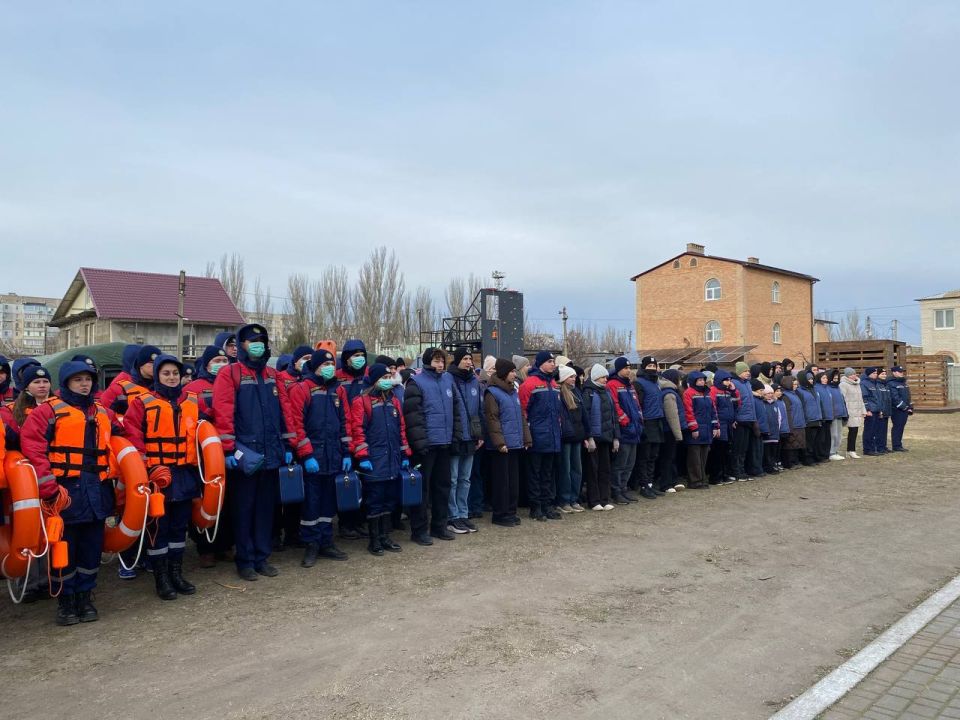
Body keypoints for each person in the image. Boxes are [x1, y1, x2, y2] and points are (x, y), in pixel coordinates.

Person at [22, 361, 115, 626]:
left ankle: (85, 596)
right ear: (66, 383)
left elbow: (122, 433)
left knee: (91, 549)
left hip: (96, 491)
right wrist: (47, 483)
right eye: (78, 380)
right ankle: (66, 601)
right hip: (65, 492)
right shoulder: (47, 412)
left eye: (87, 379)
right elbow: (33, 445)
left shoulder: (102, 411)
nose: (84, 384)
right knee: (65, 550)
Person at [212, 324, 293, 581]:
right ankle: (245, 560)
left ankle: (262, 557)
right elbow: (223, 413)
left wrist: (288, 445)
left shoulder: (272, 374)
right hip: (246, 456)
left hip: (271, 454)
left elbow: (285, 412)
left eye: (261, 340)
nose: (257, 344)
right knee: (243, 510)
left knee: (265, 510)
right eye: (251, 340)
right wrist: (228, 449)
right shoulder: (230, 374)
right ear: (241, 345)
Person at [123, 354, 202, 601]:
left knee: (179, 528)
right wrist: (147, 467)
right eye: (166, 373)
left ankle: (176, 573)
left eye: (175, 373)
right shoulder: (142, 402)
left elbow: (205, 429)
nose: (171, 377)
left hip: (185, 473)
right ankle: (161, 578)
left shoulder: (191, 401)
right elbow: (132, 433)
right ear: (157, 375)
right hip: (158, 476)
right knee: (159, 528)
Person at [285, 348, 350, 566]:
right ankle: (311, 544)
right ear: (315, 367)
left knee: (328, 503)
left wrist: (347, 452)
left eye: (331, 364)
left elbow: (345, 423)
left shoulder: (338, 391)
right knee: (311, 504)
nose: (329, 368)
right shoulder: (302, 389)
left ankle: (326, 542)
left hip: (334, 456)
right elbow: (296, 424)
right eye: (324, 365)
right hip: (313, 457)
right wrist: (306, 454)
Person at [403, 348, 463, 542]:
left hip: (444, 443)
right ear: (429, 361)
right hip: (426, 445)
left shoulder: (448, 380)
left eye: (442, 361)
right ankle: (419, 530)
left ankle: (439, 526)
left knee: (443, 487)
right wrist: (420, 443)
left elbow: (455, 411)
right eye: (437, 361)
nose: (440, 364)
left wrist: (456, 437)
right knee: (423, 490)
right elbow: (413, 417)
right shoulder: (416, 382)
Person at [350, 363, 410, 556]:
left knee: (389, 500)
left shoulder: (394, 401)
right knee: (374, 500)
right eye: (383, 378)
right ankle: (374, 539)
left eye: (388, 378)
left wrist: (404, 454)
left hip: (392, 459)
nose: (387, 381)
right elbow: (357, 431)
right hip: (374, 460)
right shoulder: (362, 401)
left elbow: (401, 430)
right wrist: (363, 456)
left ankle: (385, 536)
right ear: (374, 380)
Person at [483, 358, 532, 526]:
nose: (514, 374)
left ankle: (511, 511)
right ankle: (500, 514)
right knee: (501, 482)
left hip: (515, 443)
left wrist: (526, 438)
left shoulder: (512, 392)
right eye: (511, 371)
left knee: (513, 481)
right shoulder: (492, 393)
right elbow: (492, 419)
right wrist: (499, 443)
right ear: (504, 373)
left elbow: (521, 418)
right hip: (502, 446)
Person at [518, 351, 563, 520]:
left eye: (554, 361)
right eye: (550, 361)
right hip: (536, 437)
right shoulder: (529, 384)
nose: (553, 364)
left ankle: (547, 505)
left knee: (548, 474)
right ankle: (535, 507)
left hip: (552, 437)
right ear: (541, 363)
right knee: (534, 474)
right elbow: (523, 412)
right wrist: (528, 435)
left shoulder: (554, 384)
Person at [336, 338, 370, 540]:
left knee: (365, 483)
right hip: (346, 438)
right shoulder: (338, 378)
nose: (359, 359)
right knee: (347, 483)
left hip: (366, 438)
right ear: (346, 358)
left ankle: (360, 522)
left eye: (361, 355)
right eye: (354, 356)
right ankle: (346, 523)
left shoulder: (368, 376)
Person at [446, 349, 483, 533]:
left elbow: (480, 410)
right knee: (452, 479)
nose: (469, 362)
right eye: (465, 359)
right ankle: (452, 516)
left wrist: (480, 434)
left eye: (470, 359)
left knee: (465, 479)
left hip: (471, 437)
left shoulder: (474, 382)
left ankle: (463, 513)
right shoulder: (448, 379)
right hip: (455, 436)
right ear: (458, 361)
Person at [606, 357, 643, 502]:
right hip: (624, 430)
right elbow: (615, 405)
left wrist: (640, 419)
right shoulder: (613, 385)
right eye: (625, 368)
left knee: (630, 463)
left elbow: (636, 405)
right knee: (620, 463)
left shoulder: (630, 385)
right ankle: (616, 491)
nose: (628, 370)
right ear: (619, 369)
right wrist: (624, 420)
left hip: (635, 429)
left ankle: (623, 488)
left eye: (629, 368)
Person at [581, 364, 616, 511]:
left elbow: (613, 417)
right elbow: (586, 416)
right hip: (594, 437)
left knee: (605, 469)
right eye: (602, 377)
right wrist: (589, 437)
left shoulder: (607, 393)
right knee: (592, 470)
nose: (605, 379)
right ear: (595, 377)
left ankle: (604, 498)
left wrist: (616, 437)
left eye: (606, 377)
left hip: (606, 437)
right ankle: (594, 500)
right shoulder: (588, 393)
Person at [556, 365, 588, 513]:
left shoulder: (577, 392)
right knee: (565, 470)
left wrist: (587, 435)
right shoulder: (559, 394)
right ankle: (564, 499)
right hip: (566, 437)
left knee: (577, 469)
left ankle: (573, 498)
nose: (574, 379)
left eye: (574, 376)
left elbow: (584, 415)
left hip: (577, 435)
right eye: (571, 376)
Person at [101, 345, 161, 420]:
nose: (155, 366)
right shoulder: (121, 386)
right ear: (140, 364)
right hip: (128, 430)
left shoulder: (163, 386)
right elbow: (103, 409)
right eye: (151, 363)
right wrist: (121, 425)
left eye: (157, 363)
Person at [633, 356, 664, 498]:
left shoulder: (656, 382)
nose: (652, 368)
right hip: (647, 422)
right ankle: (643, 485)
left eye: (654, 365)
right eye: (649, 365)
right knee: (644, 457)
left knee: (654, 456)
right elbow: (638, 405)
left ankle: (650, 484)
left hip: (657, 421)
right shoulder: (639, 383)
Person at [681, 371, 719, 489]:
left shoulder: (707, 394)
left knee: (703, 457)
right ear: (693, 381)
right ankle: (695, 481)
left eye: (703, 380)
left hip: (707, 430)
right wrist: (694, 428)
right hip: (696, 431)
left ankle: (702, 479)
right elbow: (688, 412)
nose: (702, 382)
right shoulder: (689, 393)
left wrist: (715, 426)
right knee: (694, 458)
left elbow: (713, 411)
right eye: (699, 380)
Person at [658, 368, 686, 492]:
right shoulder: (669, 394)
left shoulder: (669, 392)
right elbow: (672, 415)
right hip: (669, 430)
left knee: (671, 457)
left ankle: (673, 481)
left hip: (669, 429)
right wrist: (678, 434)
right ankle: (666, 483)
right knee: (668, 457)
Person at [707, 370, 738, 484]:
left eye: (730, 380)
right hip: (720, 425)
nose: (729, 382)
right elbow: (713, 408)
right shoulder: (714, 391)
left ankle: (724, 474)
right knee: (718, 452)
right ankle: (715, 477)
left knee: (726, 452)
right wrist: (716, 425)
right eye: (726, 380)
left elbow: (736, 404)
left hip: (728, 425)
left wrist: (734, 391)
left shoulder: (728, 392)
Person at [729, 362, 757, 481]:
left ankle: (742, 469)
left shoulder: (748, 384)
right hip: (740, 420)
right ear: (739, 372)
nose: (748, 373)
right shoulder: (734, 384)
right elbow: (733, 403)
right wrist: (734, 418)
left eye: (748, 371)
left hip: (749, 419)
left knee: (744, 447)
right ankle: (736, 471)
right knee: (738, 447)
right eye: (745, 371)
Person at [778, 376, 807, 468]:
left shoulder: (795, 394)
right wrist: (789, 426)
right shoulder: (785, 396)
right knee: (790, 445)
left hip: (799, 423)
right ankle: (789, 463)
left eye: (796, 384)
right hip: (792, 424)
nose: (796, 386)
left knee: (797, 444)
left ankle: (795, 461)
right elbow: (787, 412)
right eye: (794, 384)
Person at [796, 368, 823, 465]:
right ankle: (806, 459)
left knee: (815, 440)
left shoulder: (814, 389)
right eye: (809, 379)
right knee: (808, 441)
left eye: (812, 378)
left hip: (817, 418)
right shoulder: (800, 391)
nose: (811, 380)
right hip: (808, 420)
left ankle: (814, 456)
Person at [838, 368, 865, 458]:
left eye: (854, 374)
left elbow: (860, 399)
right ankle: (846, 450)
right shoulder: (843, 385)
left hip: (856, 411)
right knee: (849, 431)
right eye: (851, 374)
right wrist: (845, 412)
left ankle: (851, 450)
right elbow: (842, 399)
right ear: (847, 376)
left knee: (855, 430)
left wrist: (863, 410)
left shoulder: (857, 384)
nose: (854, 375)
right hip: (849, 411)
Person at [887, 366, 913, 452]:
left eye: (902, 371)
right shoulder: (891, 383)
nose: (901, 373)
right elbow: (895, 398)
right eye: (899, 371)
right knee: (897, 427)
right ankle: (896, 446)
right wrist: (904, 407)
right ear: (894, 372)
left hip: (904, 409)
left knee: (901, 427)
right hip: (897, 409)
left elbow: (908, 396)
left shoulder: (903, 383)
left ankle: (898, 444)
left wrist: (910, 407)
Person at [812, 372, 835, 462]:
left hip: (829, 417)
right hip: (822, 417)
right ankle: (820, 455)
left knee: (827, 437)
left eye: (826, 378)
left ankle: (826, 454)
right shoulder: (817, 388)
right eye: (823, 378)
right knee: (821, 438)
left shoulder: (827, 388)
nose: (826, 380)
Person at [826, 370, 848, 460]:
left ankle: (835, 451)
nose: (835, 380)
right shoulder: (828, 388)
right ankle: (831, 452)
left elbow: (842, 401)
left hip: (840, 414)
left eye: (837, 378)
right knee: (833, 434)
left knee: (839, 435)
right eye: (834, 378)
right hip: (833, 415)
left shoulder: (838, 388)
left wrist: (845, 413)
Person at [760, 385, 782, 474]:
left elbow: (779, 417)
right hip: (767, 432)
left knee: (773, 451)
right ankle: (767, 467)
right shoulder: (762, 404)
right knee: (767, 452)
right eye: (767, 393)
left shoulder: (775, 404)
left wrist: (778, 428)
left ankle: (772, 465)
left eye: (771, 393)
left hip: (775, 431)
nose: (770, 395)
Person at [874, 368, 893, 452]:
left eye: (885, 374)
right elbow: (878, 399)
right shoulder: (876, 384)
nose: (884, 375)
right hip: (880, 411)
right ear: (877, 375)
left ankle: (883, 446)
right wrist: (880, 410)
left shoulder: (886, 384)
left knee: (884, 430)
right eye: (882, 374)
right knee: (879, 430)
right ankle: (878, 447)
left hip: (886, 411)